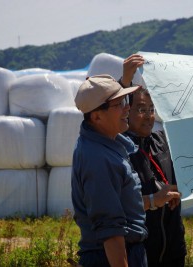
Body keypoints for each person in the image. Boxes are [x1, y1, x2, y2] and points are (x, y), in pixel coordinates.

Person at [120, 54, 193, 267]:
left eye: (152, 110)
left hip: (173, 248)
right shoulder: (119, 147)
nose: (149, 116)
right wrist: (125, 80)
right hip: (139, 253)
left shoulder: (162, 140)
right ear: (126, 112)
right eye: (142, 110)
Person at [71, 74, 148, 267]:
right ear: (97, 116)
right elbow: (110, 229)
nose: (127, 107)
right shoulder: (98, 158)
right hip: (109, 258)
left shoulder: (111, 144)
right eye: (119, 103)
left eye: (125, 100)